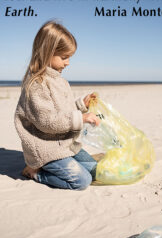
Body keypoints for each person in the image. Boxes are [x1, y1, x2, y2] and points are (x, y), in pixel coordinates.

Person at [14, 20, 102, 190]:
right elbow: (48, 122)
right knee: (82, 181)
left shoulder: (60, 81)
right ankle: (35, 172)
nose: (68, 62)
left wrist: (81, 106)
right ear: (47, 52)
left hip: (66, 145)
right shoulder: (36, 85)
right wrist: (81, 118)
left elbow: (64, 112)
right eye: (64, 57)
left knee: (93, 170)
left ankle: (51, 167)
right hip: (48, 149)